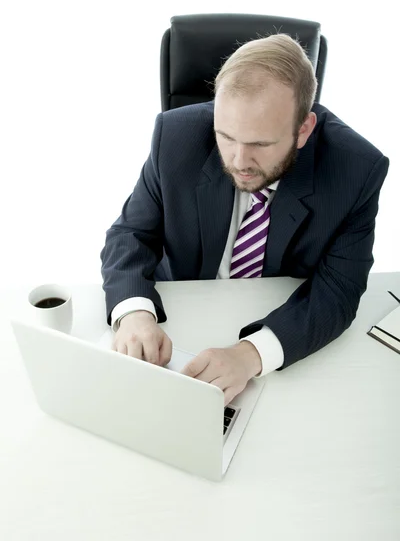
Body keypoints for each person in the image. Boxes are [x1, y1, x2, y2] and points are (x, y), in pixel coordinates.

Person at [100, 33, 389, 405]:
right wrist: (134, 312)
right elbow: (130, 234)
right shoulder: (175, 136)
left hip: (280, 326)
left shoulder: (356, 170)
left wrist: (251, 355)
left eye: (260, 144)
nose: (238, 160)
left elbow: (338, 291)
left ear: (303, 129)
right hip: (180, 318)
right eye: (226, 136)